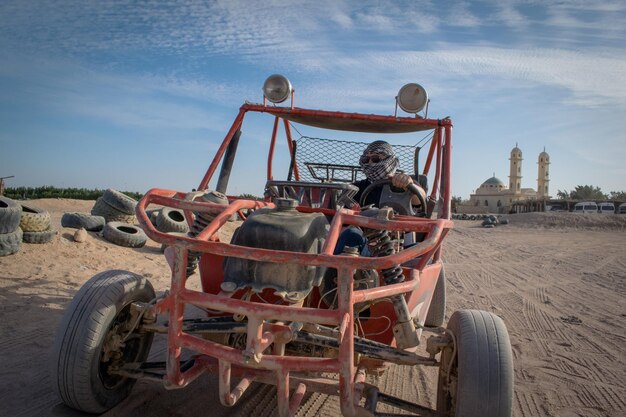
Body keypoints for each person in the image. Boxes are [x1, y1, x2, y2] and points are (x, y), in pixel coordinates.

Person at [334, 140, 427, 254]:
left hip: (400, 245)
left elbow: (420, 199)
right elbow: (342, 223)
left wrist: (409, 184)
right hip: (365, 244)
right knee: (350, 235)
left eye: (376, 159)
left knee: (423, 252)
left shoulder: (405, 183)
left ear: (390, 160)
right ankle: (334, 269)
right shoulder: (357, 187)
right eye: (365, 160)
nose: (370, 163)